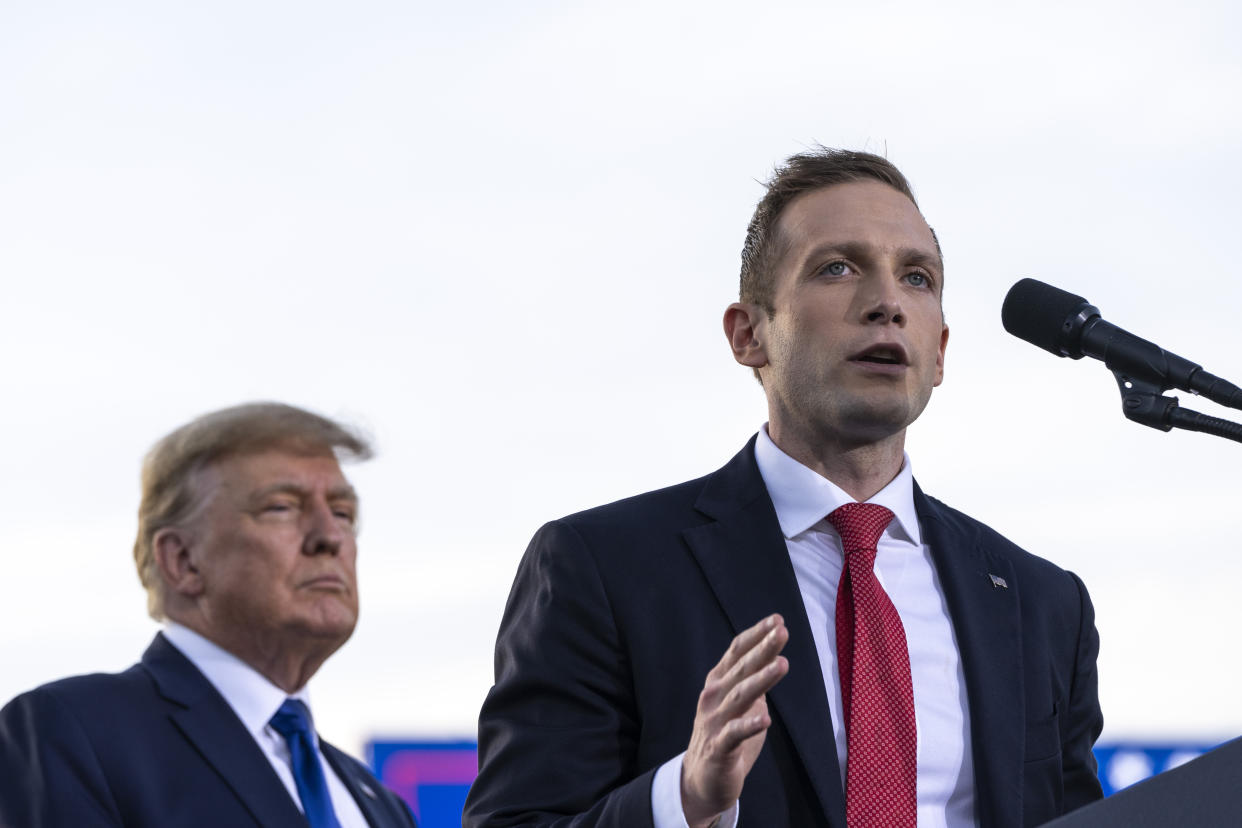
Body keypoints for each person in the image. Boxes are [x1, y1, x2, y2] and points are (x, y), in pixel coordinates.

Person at [463, 148, 1103, 828]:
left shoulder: (1042, 603)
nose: (886, 303)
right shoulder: (601, 568)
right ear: (749, 334)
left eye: (916, 277)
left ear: (939, 351)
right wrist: (682, 800)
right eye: (837, 267)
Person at [0, 402, 417, 828]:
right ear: (182, 560)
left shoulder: (379, 802)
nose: (330, 536)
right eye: (281, 507)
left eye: (343, 513)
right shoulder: (74, 733)